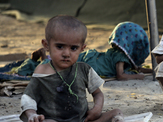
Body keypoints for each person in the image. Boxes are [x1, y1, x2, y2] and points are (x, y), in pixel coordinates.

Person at [20, 15, 146, 122]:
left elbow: (97, 93)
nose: (66, 53)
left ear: (82, 48)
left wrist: (97, 108)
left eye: (73, 48)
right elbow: (29, 96)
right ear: (46, 45)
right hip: (56, 121)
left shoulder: (84, 69)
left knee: (117, 112)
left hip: (84, 119)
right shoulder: (42, 71)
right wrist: (32, 115)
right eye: (60, 47)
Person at [10, 21, 152, 81]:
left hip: (91, 58)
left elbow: (136, 68)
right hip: (90, 63)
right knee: (58, 67)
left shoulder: (119, 53)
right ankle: (42, 58)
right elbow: (121, 76)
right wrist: (140, 76)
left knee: (62, 61)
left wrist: (151, 71)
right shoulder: (121, 58)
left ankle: (46, 57)